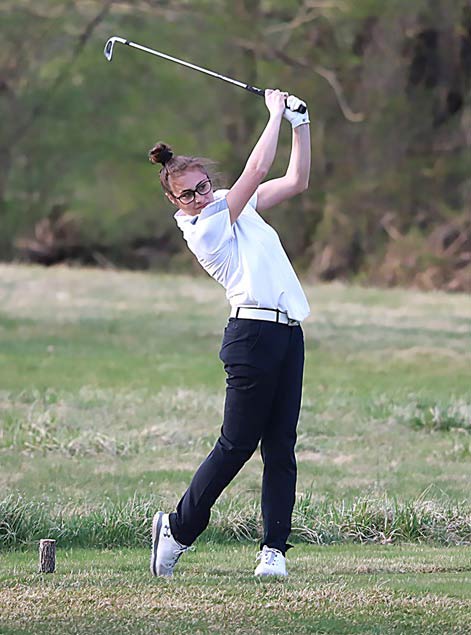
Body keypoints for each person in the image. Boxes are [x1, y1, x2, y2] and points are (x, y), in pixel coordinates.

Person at [148, 89, 311, 577]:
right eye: (187, 194)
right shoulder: (205, 226)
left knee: (281, 444)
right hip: (251, 336)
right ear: (174, 201)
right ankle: (177, 530)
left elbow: (297, 181)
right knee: (237, 445)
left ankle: (274, 551)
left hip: (287, 334)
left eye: (202, 186)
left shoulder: (229, 205)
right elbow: (257, 170)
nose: (198, 196)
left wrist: (301, 125)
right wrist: (276, 114)